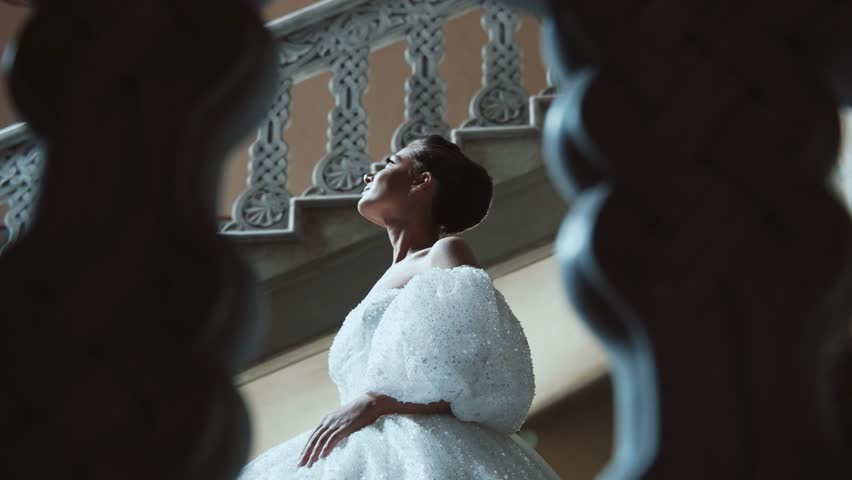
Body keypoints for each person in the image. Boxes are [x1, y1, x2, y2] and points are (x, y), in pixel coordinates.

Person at [238, 135, 561, 479]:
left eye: (390, 163)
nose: (369, 175)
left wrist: (377, 403)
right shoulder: (382, 281)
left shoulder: (445, 252)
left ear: (422, 181)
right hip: (365, 442)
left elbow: (474, 375)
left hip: (424, 447)